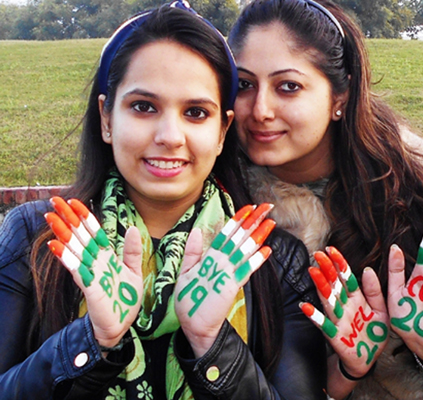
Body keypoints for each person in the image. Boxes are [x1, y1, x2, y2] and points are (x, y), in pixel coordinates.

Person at [0, 2, 327, 399]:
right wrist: (92, 340)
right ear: (106, 117)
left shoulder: (273, 259)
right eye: (144, 107)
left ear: (223, 130)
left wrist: (212, 346)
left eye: (195, 112)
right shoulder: (37, 235)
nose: (170, 135)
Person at [227, 0, 423, 399]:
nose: (260, 110)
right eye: (245, 84)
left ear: (341, 96)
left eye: (288, 86)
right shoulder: (217, 192)